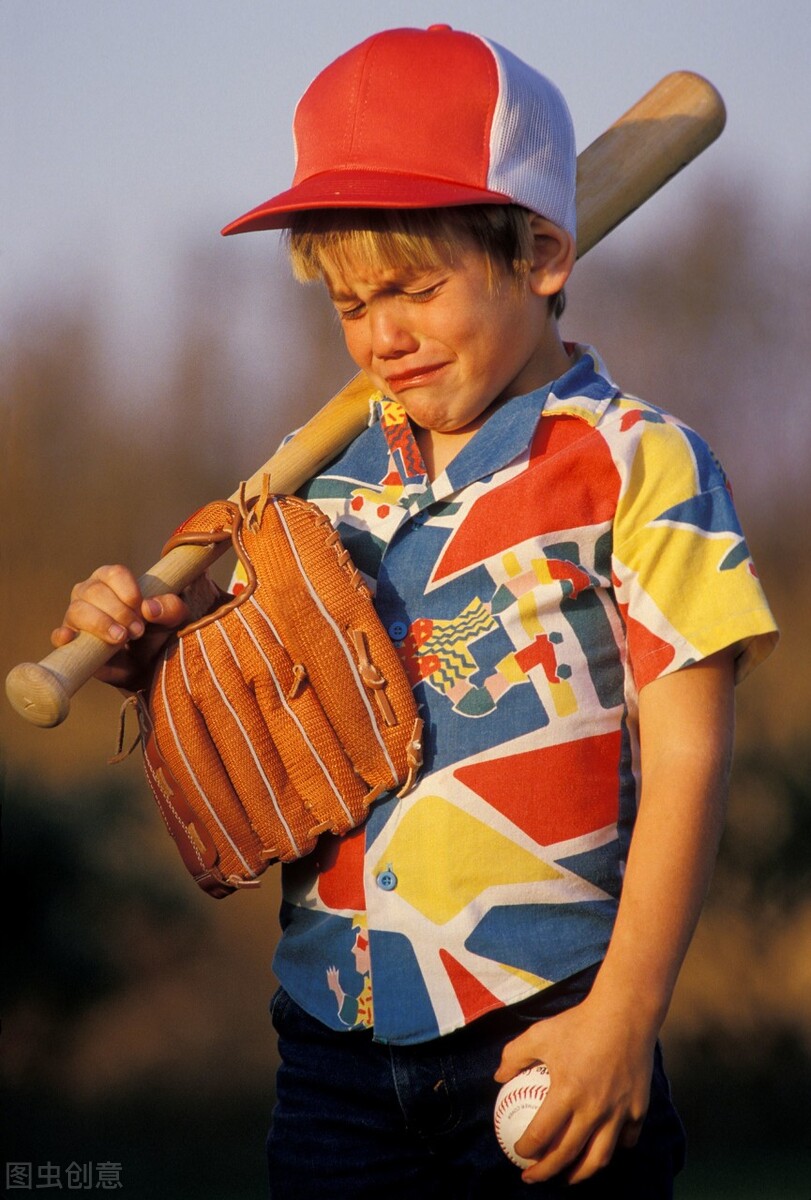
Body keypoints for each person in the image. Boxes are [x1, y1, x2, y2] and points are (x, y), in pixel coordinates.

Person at [52, 25, 778, 1198]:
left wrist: (627, 1016)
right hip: (330, 1043)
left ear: (540, 252)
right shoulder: (323, 484)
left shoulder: (643, 464)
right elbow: (271, 691)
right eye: (347, 302)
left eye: (413, 288)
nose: (378, 336)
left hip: (545, 1028)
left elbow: (691, 757)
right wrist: (161, 654)